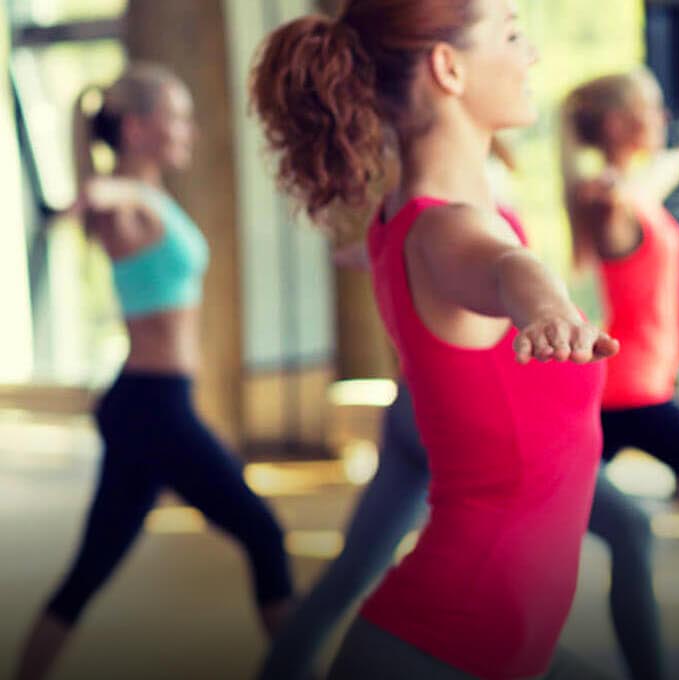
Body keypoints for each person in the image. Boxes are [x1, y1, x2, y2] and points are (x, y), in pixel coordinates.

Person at [251, 1, 621, 677]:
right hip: (443, 646)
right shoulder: (447, 231)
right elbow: (507, 267)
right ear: (448, 67)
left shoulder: (420, 220)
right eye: (511, 34)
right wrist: (546, 305)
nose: (531, 54)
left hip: (484, 643)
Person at [11, 63, 297, 680]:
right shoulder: (126, 202)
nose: (190, 131)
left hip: (152, 402)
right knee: (264, 534)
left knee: (89, 572)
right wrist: (83, 198)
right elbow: (101, 197)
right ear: (138, 129)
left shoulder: (150, 197)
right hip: (151, 406)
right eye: (179, 117)